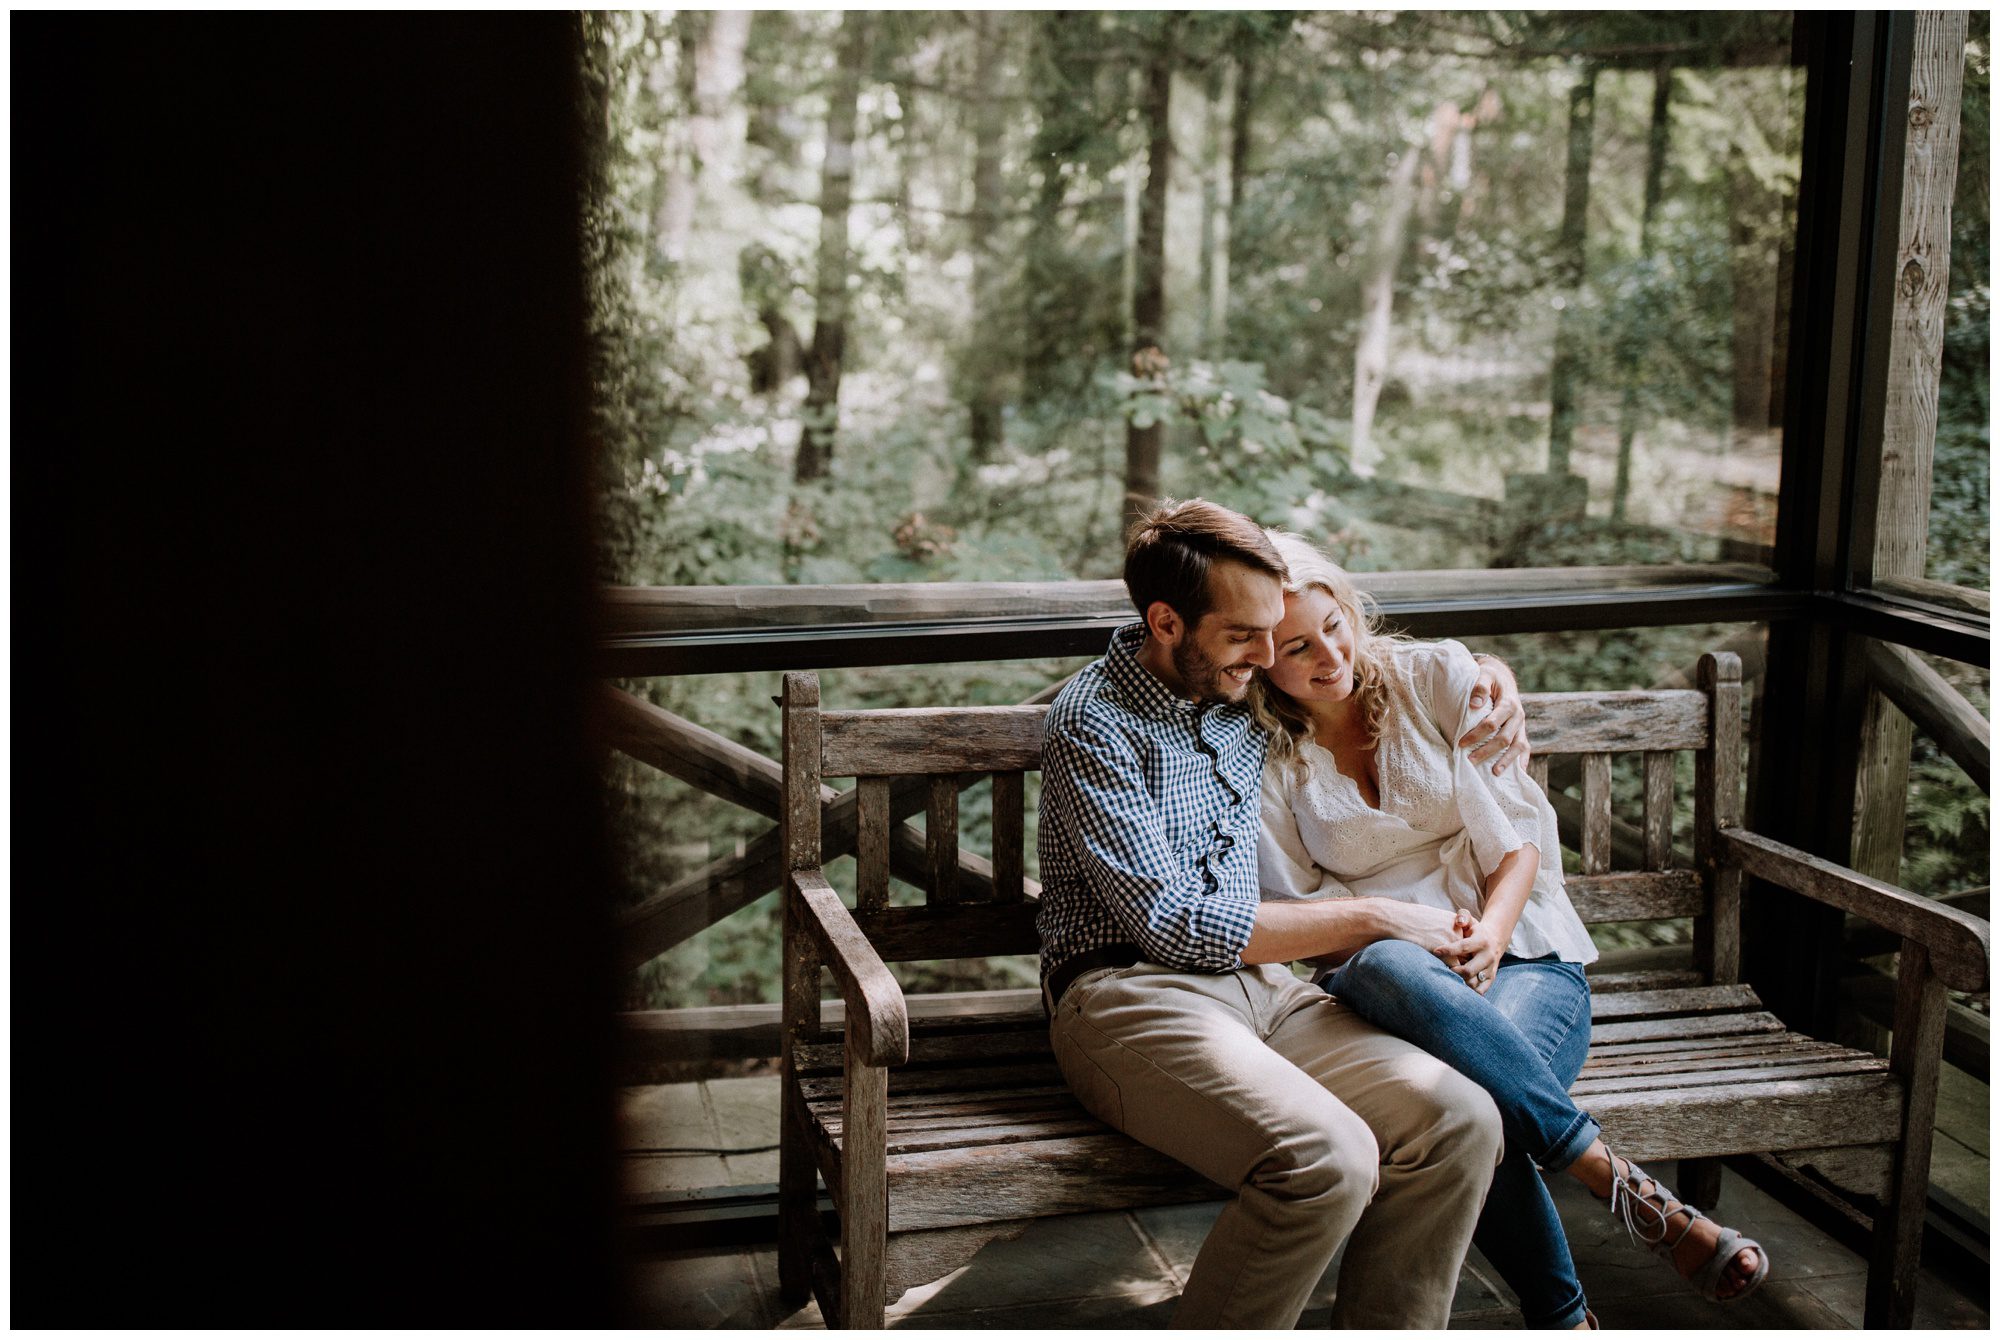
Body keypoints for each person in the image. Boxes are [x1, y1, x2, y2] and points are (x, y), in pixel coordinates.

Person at [1250, 529, 1771, 1329]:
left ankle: (1563, 1317)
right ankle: (1618, 1186)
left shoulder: (1438, 680)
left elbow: (1518, 839)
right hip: (1385, 986)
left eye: (1336, 625)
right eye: (1296, 647)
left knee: (1473, 1110)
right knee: (1397, 970)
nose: (1330, 655)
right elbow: (1300, 912)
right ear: (1259, 658)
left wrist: (1490, 935)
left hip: (1523, 957)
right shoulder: (1268, 754)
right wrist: (1409, 935)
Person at [1037, 497, 1533, 1329]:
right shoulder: (1092, 725)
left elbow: (1378, 672)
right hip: (1129, 997)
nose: (1270, 656)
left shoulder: (1238, 693)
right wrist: (1376, 918)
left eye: (1274, 632)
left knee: (1461, 1120)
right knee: (1328, 1160)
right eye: (1245, 636)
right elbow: (1171, 924)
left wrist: (1490, 675)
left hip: (1267, 992)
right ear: (1166, 623)